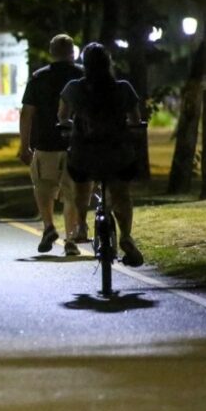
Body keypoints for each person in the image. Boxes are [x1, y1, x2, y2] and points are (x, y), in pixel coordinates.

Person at [58, 42, 144, 267]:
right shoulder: (124, 88)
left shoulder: (73, 88)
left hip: (84, 155)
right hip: (118, 156)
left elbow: (62, 117)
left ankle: (81, 225)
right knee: (121, 194)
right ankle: (125, 235)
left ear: (84, 65)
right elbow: (136, 120)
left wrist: (68, 127)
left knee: (80, 184)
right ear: (109, 63)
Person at [20, 34, 86, 256]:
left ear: (51, 52)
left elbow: (27, 113)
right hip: (75, 144)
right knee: (72, 194)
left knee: (43, 189)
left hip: (45, 143)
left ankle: (48, 226)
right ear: (72, 53)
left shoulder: (39, 78)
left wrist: (24, 145)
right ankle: (70, 239)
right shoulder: (81, 76)